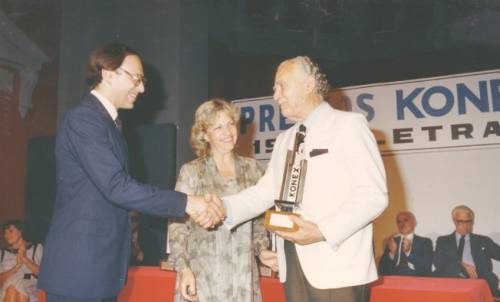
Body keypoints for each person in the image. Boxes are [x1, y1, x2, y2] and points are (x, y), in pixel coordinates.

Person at [37, 43, 225, 302]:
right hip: (80, 272)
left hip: (96, 270)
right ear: (108, 73)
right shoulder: (84, 119)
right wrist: (188, 202)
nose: (142, 88)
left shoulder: (108, 124)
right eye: (136, 78)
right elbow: (117, 186)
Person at [221, 56, 388, 302]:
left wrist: (322, 231)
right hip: (292, 263)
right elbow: (264, 192)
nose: (275, 95)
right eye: (274, 88)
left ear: (309, 85)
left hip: (337, 267)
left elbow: (373, 196)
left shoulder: (349, 126)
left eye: (281, 86)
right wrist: (221, 209)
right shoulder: (284, 140)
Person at [168, 99, 275, 302]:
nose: (227, 131)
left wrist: (262, 250)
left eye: (230, 124)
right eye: (218, 127)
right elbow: (177, 227)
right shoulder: (192, 172)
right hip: (203, 276)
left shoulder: (253, 169)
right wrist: (184, 270)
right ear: (204, 135)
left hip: (243, 277)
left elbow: (260, 221)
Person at [434, 205, 500, 296]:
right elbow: (438, 263)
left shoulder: (483, 240)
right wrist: (462, 267)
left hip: (480, 279)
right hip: (451, 280)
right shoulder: (443, 241)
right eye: (461, 222)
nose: (466, 225)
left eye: (469, 222)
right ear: (454, 221)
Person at [379, 211, 433, 276]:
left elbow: (427, 266)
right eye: (399, 222)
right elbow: (381, 268)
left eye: (405, 220)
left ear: (414, 223)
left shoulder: (425, 242)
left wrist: (408, 253)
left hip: (415, 279)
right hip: (394, 279)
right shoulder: (392, 241)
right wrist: (392, 254)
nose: (402, 224)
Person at [0, 220, 43, 302]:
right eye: (5, 233)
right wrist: (16, 267)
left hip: (30, 286)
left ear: (20, 232)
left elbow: (42, 274)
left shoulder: (36, 248)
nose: (6, 235)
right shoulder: (2, 253)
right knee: (12, 288)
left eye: (10, 231)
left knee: (13, 289)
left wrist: (25, 259)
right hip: (8, 286)